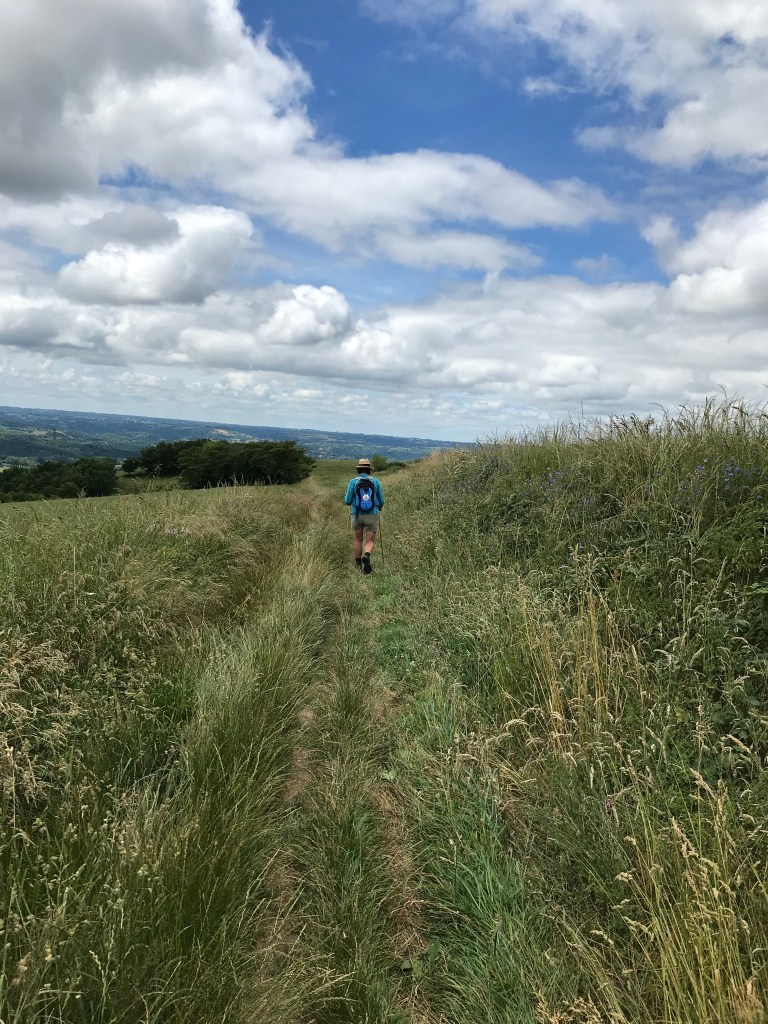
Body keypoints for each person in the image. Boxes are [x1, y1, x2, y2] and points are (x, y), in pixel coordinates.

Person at [344, 457, 384, 574]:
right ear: (369, 470)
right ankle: (366, 555)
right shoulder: (376, 481)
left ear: (358, 470)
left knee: (358, 539)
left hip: (357, 514)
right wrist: (379, 508)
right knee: (370, 541)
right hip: (372, 514)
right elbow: (381, 500)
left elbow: (347, 501)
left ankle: (358, 564)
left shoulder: (353, 482)